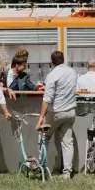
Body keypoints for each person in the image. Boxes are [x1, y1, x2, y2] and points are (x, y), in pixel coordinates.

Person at [36, 51, 78, 179]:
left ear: (52, 61)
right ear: (63, 59)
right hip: (70, 111)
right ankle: (67, 173)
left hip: (57, 112)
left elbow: (47, 99)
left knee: (44, 137)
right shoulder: (72, 72)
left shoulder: (52, 75)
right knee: (67, 143)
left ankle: (42, 167)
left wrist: (41, 117)